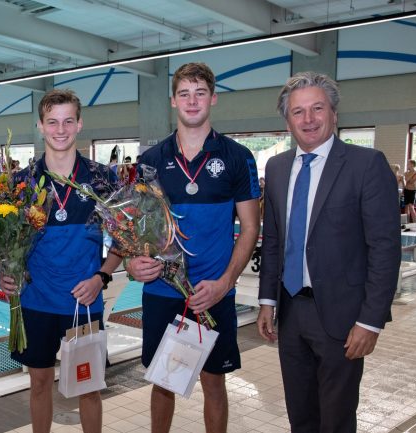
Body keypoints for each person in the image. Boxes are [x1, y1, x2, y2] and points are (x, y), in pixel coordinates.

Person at [257, 71, 400, 433]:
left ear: (334, 114)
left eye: (317, 108)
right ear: (287, 120)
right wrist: (267, 303)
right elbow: (273, 240)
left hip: (341, 317)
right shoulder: (276, 168)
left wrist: (370, 321)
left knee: (335, 420)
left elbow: (384, 248)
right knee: (301, 416)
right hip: (290, 311)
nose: (309, 119)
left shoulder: (366, 165)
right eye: (298, 112)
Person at [125, 62, 261, 433]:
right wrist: (134, 264)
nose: (192, 100)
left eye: (200, 92)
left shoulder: (237, 157)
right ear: (173, 101)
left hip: (213, 292)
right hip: (162, 291)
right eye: (184, 93)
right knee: (163, 381)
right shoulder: (151, 161)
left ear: (213, 98)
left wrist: (225, 283)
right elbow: (138, 230)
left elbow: (251, 227)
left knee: (214, 382)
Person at [0, 89, 122, 433]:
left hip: (83, 302)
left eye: (68, 120)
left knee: (90, 387)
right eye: (52, 121)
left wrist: (102, 276)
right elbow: (7, 242)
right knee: (39, 384)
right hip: (36, 301)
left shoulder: (101, 179)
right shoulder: (22, 183)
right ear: (40, 126)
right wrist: (4, 273)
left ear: (80, 123)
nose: (61, 129)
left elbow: (125, 239)